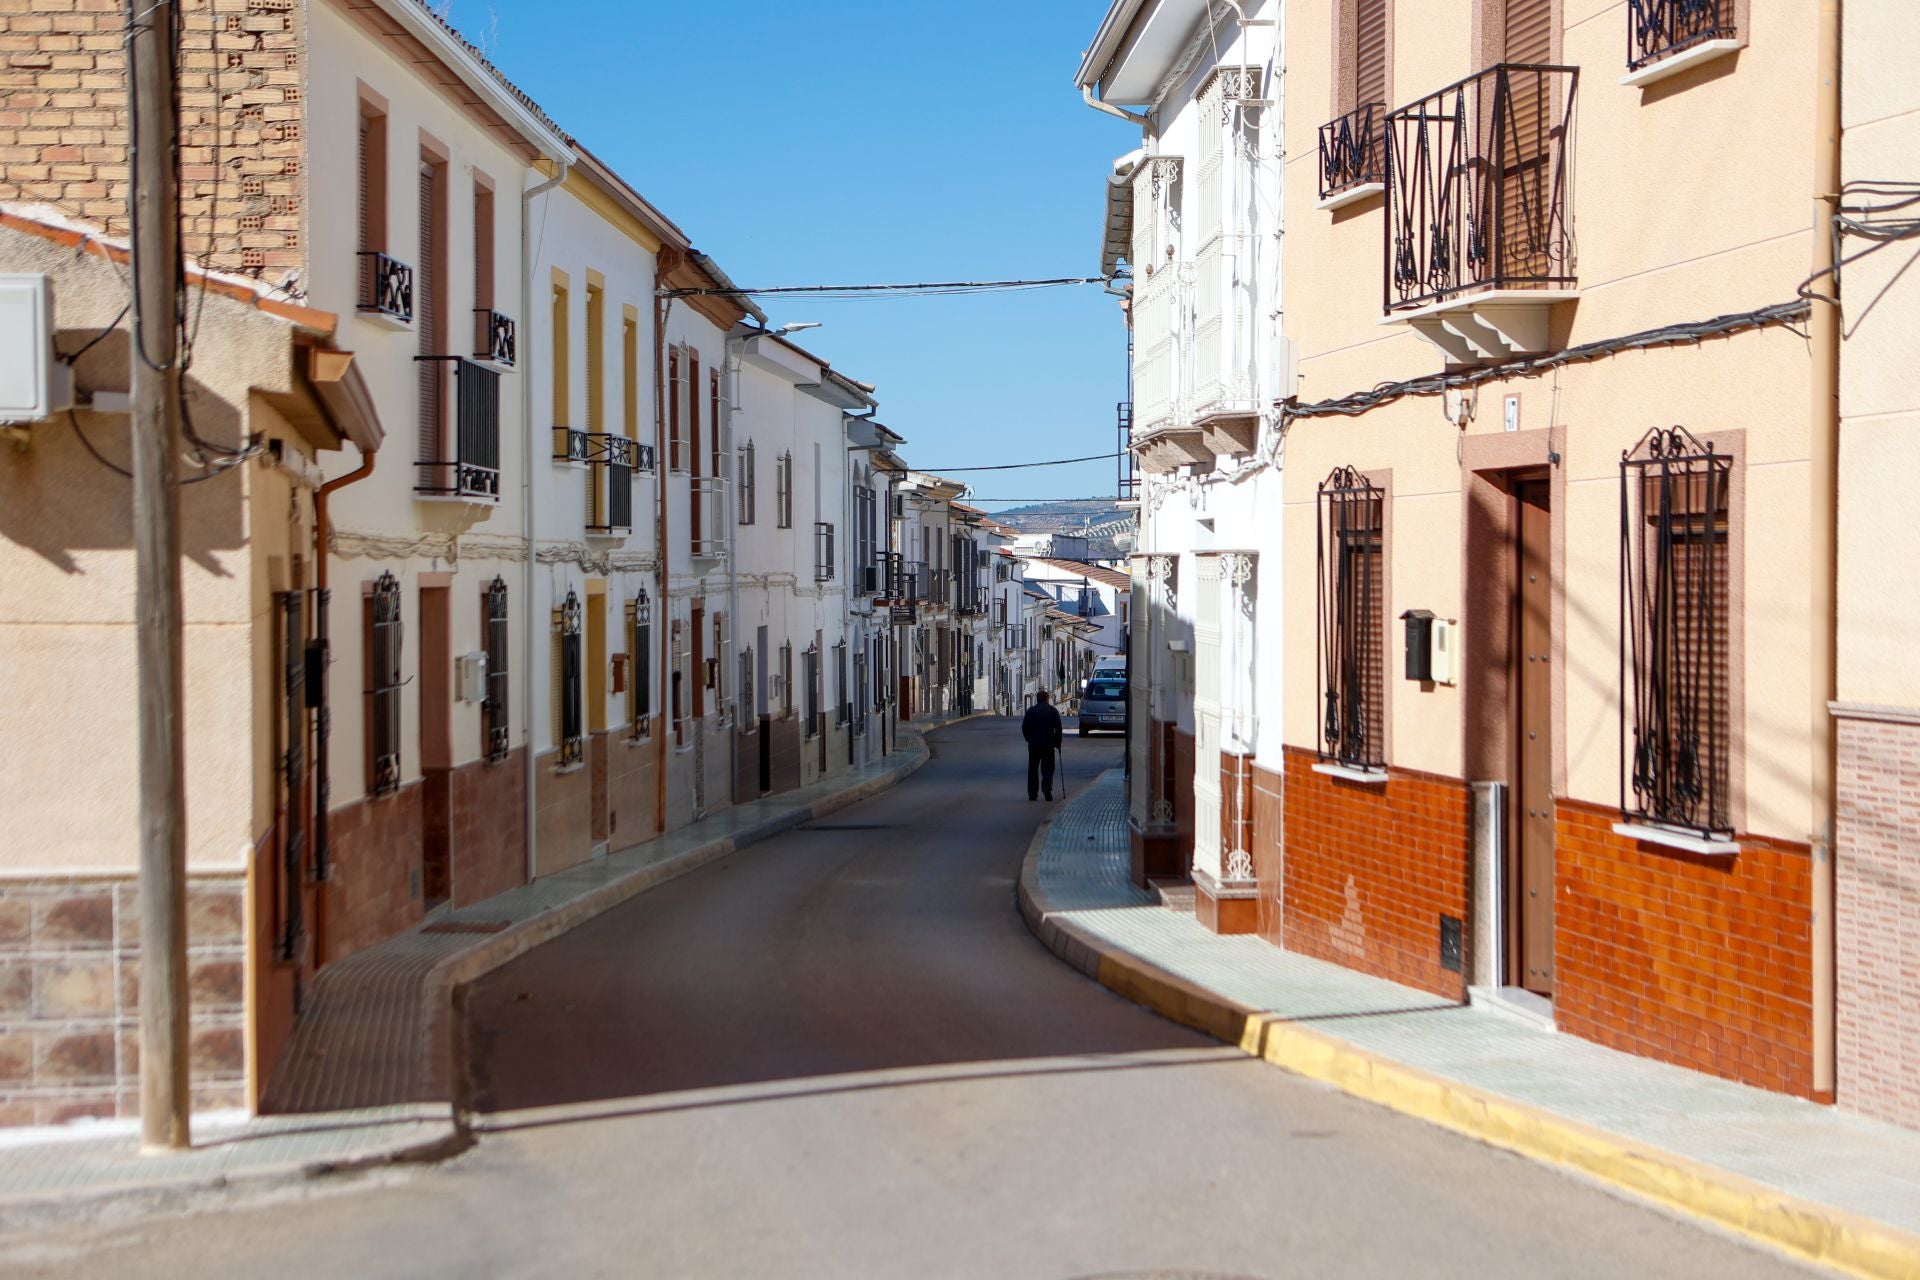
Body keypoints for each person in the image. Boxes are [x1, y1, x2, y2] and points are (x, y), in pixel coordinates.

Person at [1021, 690, 1064, 801]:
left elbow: (1024, 727)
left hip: (1034, 744)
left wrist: (1029, 739)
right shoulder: (1053, 711)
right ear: (1047, 699)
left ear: (1037, 699)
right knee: (1048, 768)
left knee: (1033, 769)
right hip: (1048, 745)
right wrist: (1058, 743)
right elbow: (1058, 728)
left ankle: (1032, 794)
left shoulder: (1031, 711)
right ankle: (1046, 788)